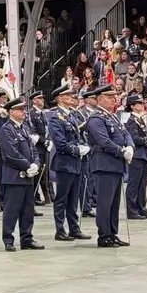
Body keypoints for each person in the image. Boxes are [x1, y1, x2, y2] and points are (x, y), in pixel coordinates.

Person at [86, 86, 133, 248]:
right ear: (99, 99)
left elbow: (126, 133)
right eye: (109, 97)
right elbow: (104, 141)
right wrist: (121, 151)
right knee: (105, 203)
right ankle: (104, 235)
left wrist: (130, 146)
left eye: (115, 96)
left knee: (114, 204)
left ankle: (112, 233)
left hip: (115, 165)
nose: (114, 99)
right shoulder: (96, 118)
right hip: (104, 165)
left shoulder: (112, 116)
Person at [0, 98, 45, 252]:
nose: (23, 112)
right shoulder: (7, 129)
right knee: (11, 210)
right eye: (20, 109)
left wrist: (36, 164)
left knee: (27, 210)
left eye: (24, 109)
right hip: (14, 176)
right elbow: (11, 153)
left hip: (28, 176)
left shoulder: (24, 128)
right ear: (11, 111)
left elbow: (33, 150)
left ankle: (27, 238)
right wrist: (27, 165)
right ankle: (8, 239)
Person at [47, 87, 92, 242]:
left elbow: (77, 136)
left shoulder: (71, 115)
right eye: (67, 95)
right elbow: (60, 143)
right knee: (62, 198)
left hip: (76, 163)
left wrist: (83, 146)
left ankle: (74, 228)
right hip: (65, 162)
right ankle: (60, 230)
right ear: (59, 98)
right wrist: (77, 150)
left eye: (72, 95)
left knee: (73, 198)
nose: (72, 97)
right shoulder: (55, 117)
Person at [124, 95, 147, 221]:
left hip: (143, 154)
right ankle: (132, 210)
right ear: (132, 106)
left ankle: (141, 208)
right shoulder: (132, 120)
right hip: (136, 155)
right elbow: (134, 138)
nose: (141, 104)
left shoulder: (141, 118)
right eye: (138, 103)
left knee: (142, 184)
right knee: (134, 183)